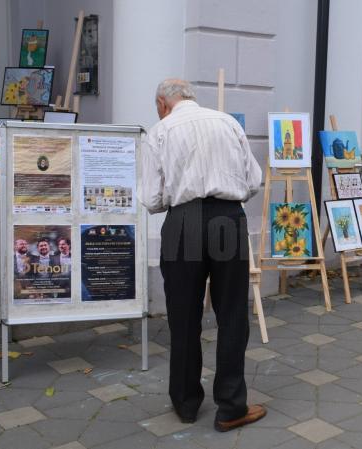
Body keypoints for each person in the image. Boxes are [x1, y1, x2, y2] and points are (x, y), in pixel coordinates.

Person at [139, 79, 264, 432]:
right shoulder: (227, 123)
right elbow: (253, 180)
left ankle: (186, 404)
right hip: (227, 217)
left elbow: (151, 199)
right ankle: (231, 407)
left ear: (163, 103)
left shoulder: (160, 131)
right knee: (232, 314)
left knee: (184, 315)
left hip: (183, 223)